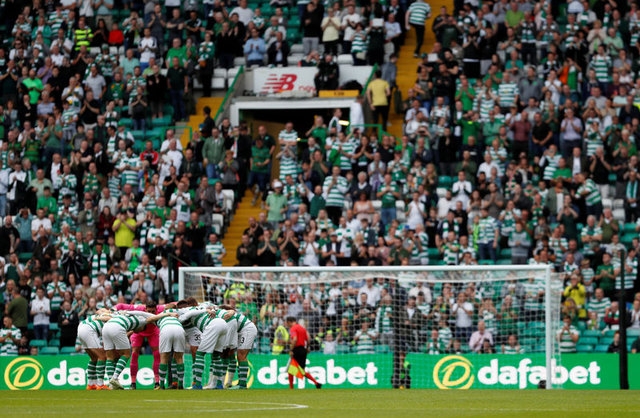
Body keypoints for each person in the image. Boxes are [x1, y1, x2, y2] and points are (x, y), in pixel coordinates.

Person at [102, 310, 155, 389]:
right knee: (126, 354)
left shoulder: (123, 315)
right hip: (117, 327)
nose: (138, 332)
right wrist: (167, 314)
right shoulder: (142, 321)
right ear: (142, 327)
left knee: (110, 356)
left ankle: (111, 384)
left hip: (106, 327)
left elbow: (107, 316)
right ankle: (114, 378)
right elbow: (152, 318)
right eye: (141, 330)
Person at [146, 308, 185, 390]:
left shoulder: (160, 316)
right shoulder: (178, 314)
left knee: (164, 357)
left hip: (166, 329)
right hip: (179, 329)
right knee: (179, 357)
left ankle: (162, 385)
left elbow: (149, 319)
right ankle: (180, 384)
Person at [76, 310, 112, 390]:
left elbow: (99, 310)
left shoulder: (103, 313)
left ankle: (90, 384)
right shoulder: (112, 317)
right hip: (88, 330)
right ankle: (100, 384)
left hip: (81, 329)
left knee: (94, 358)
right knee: (102, 356)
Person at [286, 316, 322, 389]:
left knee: (291, 369)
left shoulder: (293, 328)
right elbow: (308, 339)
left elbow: (295, 339)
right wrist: (307, 348)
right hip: (303, 350)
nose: (287, 325)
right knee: (300, 370)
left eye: (287, 323)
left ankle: (291, 388)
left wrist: (291, 350)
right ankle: (316, 383)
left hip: (297, 350)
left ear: (289, 322)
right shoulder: (302, 328)